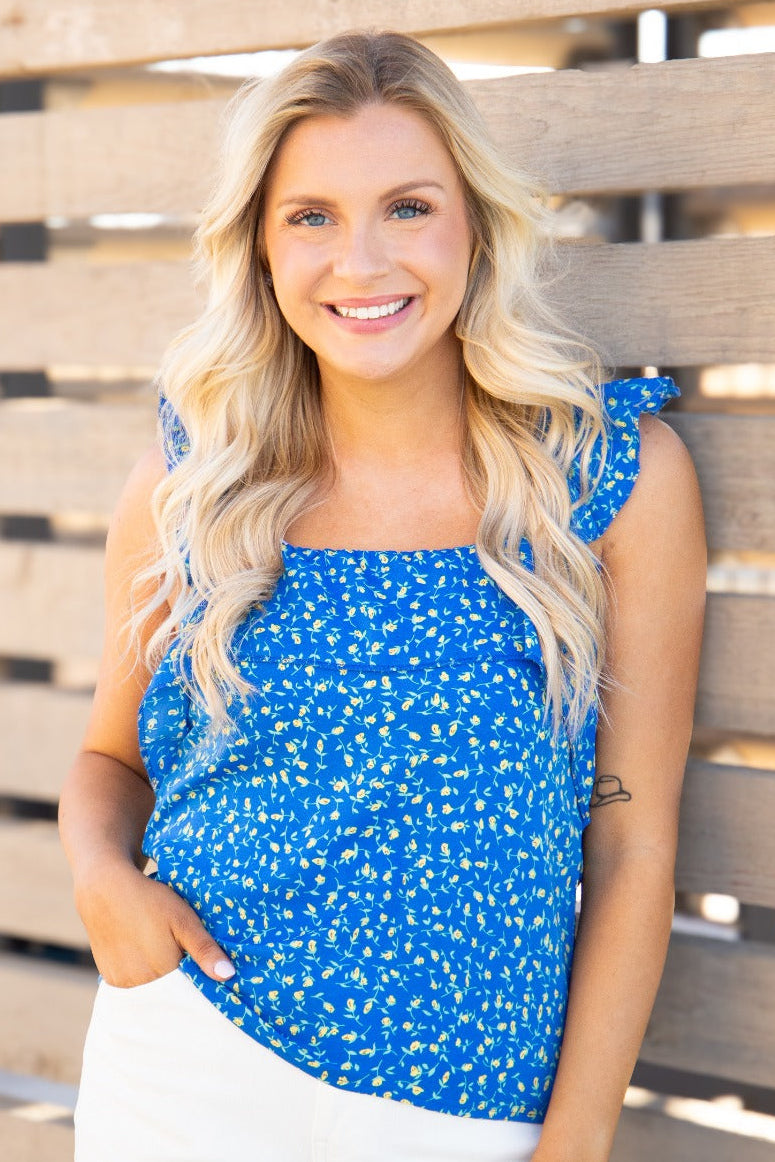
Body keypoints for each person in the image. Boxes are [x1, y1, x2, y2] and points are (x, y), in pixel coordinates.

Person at [59, 29, 706, 1162]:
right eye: (310, 216)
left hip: (465, 1109)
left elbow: (634, 843)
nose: (360, 262)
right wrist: (103, 884)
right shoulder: (195, 476)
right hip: (185, 1061)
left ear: (473, 225)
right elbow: (109, 761)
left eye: (406, 206)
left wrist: (575, 1143)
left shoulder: (610, 478)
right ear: (259, 249)